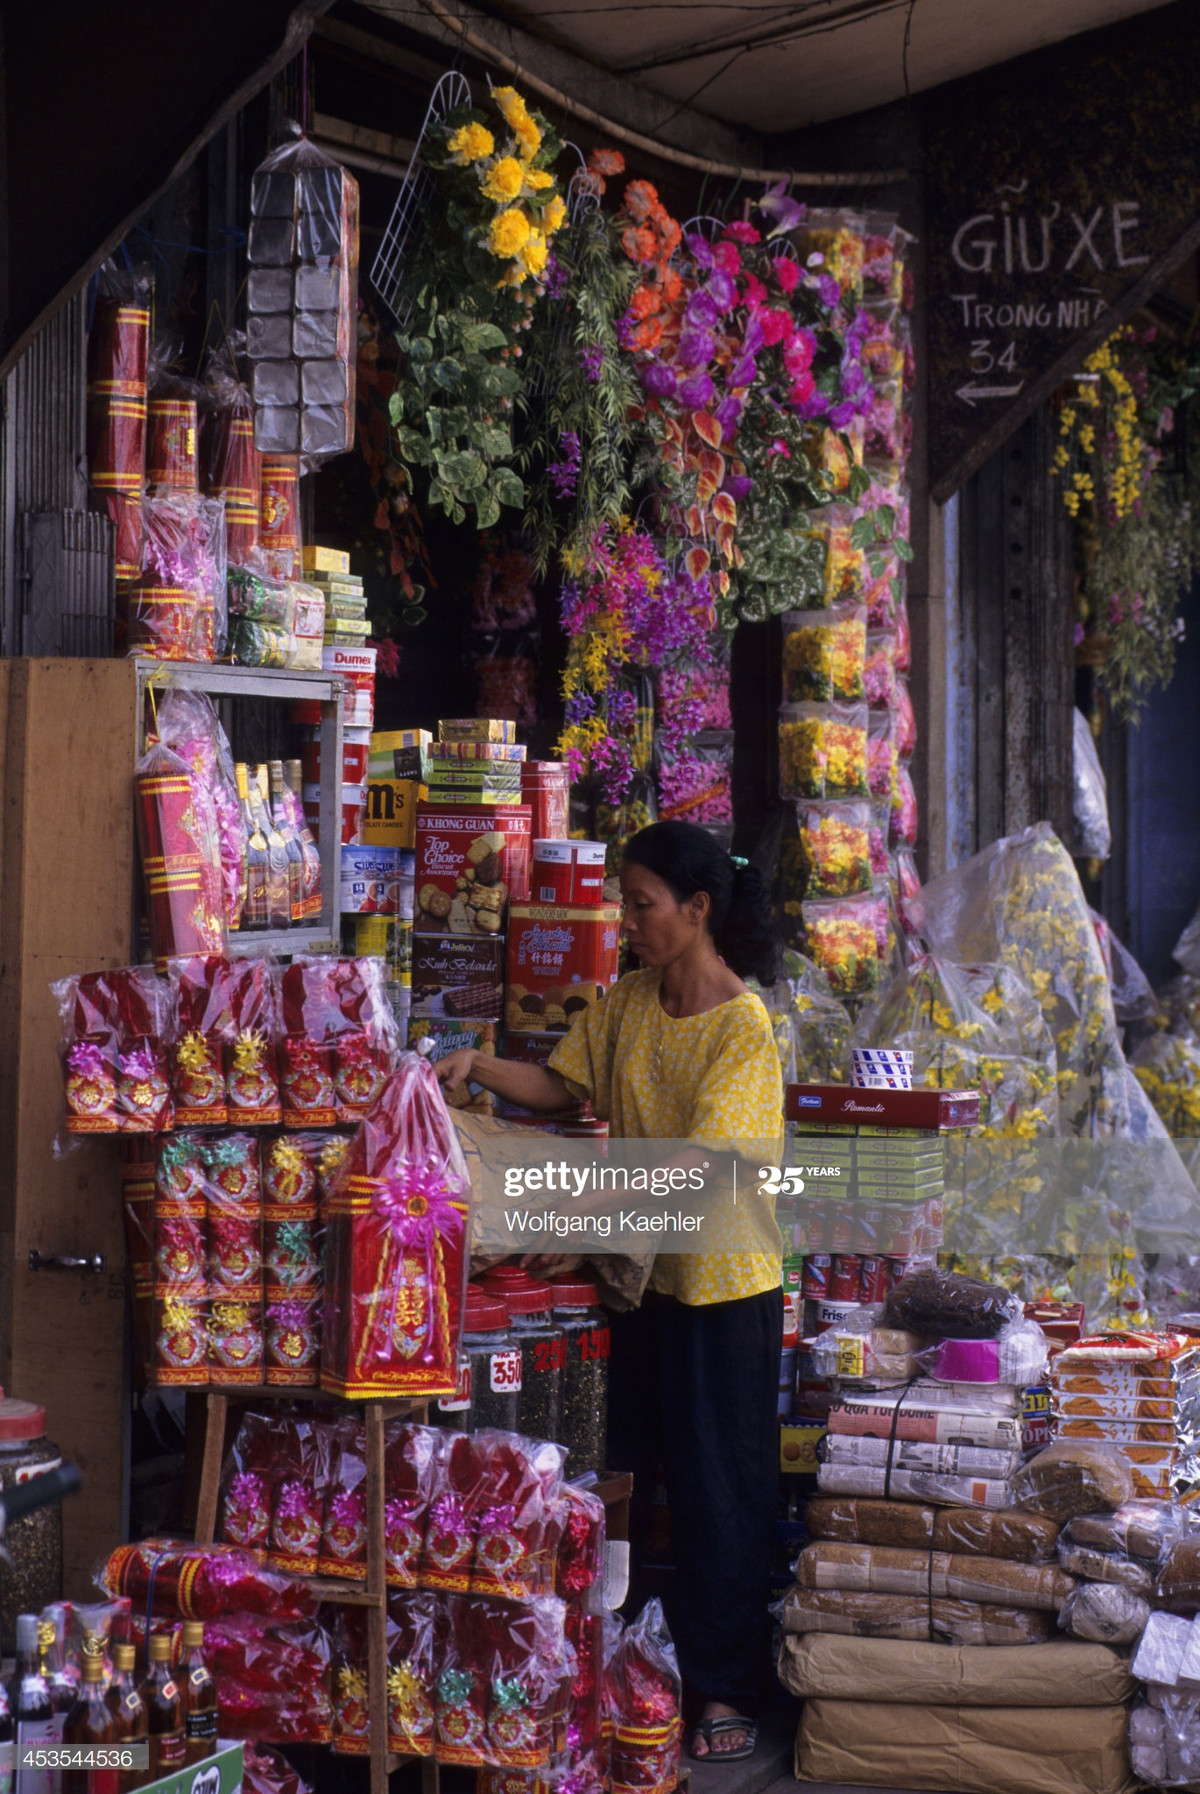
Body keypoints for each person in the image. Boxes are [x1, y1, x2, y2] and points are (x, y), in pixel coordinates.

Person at [434, 820, 784, 1762]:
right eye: (624, 903)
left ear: (698, 909)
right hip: (637, 1286)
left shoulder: (744, 1029)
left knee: (719, 1494)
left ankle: (717, 1692)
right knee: (618, 1480)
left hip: (719, 1290)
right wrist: (475, 1069)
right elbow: (558, 1087)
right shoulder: (629, 1002)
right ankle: (613, 1666)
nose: (628, 921)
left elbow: (698, 1165)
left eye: (643, 904)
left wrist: (582, 1217)